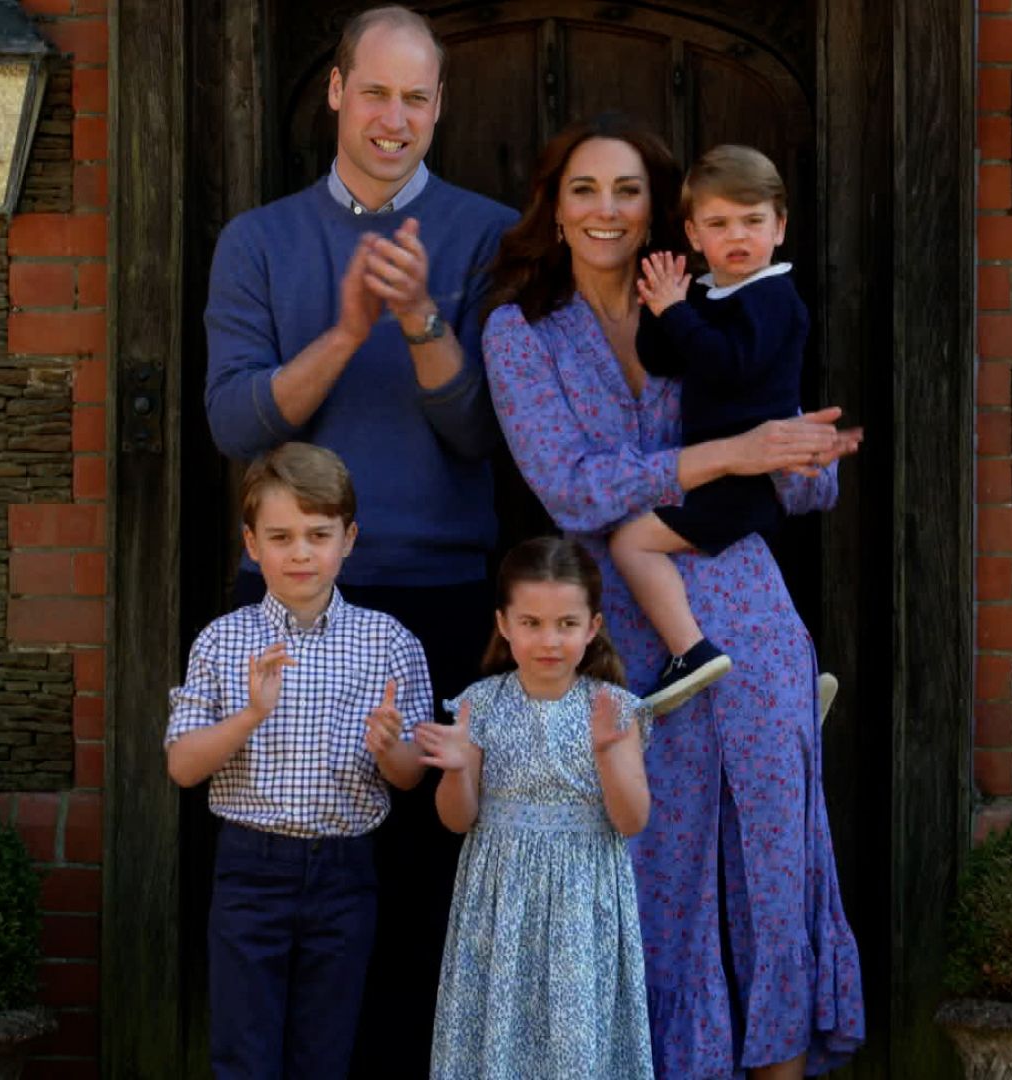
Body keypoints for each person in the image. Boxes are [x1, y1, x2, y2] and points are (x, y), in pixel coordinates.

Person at [481, 113, 866, 1079]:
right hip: (619, 630)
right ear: (554, 210)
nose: (606, 210)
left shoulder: (713, 298)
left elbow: (795, 476)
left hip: (749, 605)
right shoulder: (519, 330)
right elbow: (570, 486)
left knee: (775, 866)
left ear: (663, 213)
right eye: (584, 190)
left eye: (627, 191)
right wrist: (732, 453)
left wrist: (804, 453)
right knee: (653, 874)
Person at [202, 6, 517, 1073]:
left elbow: (483, 433)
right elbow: (237, 424)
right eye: (374, 92)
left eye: (416, 98)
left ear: (440, 107)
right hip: (289, 600)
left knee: (424, 886)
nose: (394, 118)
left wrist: (423, 318)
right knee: (282, 886)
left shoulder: (489, 236)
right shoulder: (259, 240)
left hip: (437, 593)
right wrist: (344, 331)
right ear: (335, 91)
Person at [164, 442, 432, 1078]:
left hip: (345, 872)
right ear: (252, 544)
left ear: (349, 538)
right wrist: (251, 714)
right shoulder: (223, 640)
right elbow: (182, 766)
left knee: (325, 1051)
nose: (302, 553)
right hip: (250, 869)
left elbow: (411, 775)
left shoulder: (388, 641)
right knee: (243, 1052)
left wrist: (391, 747)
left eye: (319, 534)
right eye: (281, 536)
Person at [415, 537, 654, 1080]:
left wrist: (609, 755)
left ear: (592, 626)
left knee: (575, 1043)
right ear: (503, 623)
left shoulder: (614, 708)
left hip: (582, 899)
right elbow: (457, 819)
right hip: (500, 900)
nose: (549, 640)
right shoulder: (481, 703)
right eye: (531, 623)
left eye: (566, 624)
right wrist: (455, 768)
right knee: (499, 1035)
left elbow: (632, 820)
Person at [609, 144, 807, 715]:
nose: (737, 236)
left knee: (631, 541)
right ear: (695, 235)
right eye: (719, 224)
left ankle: (690, 652)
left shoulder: (774, 298)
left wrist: (678, 311)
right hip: (717, 473)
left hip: (743, 481)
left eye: (752, 221)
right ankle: (783, 683)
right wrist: (660, 304)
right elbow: (663, 358)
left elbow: (726, 364)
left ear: (780, 227)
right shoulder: (712, 294)